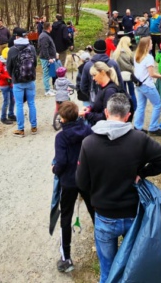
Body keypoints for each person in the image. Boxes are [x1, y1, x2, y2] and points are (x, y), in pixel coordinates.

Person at [75, 93, 161, 283]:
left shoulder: (89, 143)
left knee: (107, 271)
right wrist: (143, 173)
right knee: (133, 267)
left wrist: (96, 195)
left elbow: (81, 183)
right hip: (133, 215)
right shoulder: (139, 139)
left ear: (106, 112)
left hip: (104, 215)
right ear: (128, 116)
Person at [52, 101, 95, 273]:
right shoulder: (88, 131)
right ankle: (105, 245)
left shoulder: (61, 137)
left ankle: (66, 258)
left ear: (62, 119)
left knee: (66, 216)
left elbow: (61, 161)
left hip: (69, 181)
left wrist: (55, 169)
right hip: (86, 178)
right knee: (95, 211)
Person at [6, 27, 38, 136]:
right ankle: (34, 127)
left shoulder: (12, 50)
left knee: (19, 105)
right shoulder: (32, 48)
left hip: (18, 81)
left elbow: (8, 67)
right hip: (30, 80)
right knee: (31, 103)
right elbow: (35, 63)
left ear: (16, 36)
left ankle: (21, 129)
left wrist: (13, 76)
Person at [131, 36, 161, 134]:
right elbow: (152, 74)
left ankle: (137, 127)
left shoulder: (137, 55)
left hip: (138, 84)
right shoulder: (149, 57)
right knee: (157, 105)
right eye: (151, 43)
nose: (152, 44)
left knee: (141, 106)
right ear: (147, 45)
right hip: (147, 85)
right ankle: (153, 127)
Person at [78, 39, 124, 105]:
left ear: (94, 50)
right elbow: (120, 83)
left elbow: (83, 86)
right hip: (112, 100)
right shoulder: (113, 63)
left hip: (95, 100)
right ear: (106, 49)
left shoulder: (88, 65)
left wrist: (91, 95)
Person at [84, 61, 122, 126]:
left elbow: (106, 116)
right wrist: (90, 108)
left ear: (102, 72)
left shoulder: (110, 91)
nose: (93, 78)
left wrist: (87, 115)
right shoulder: (104, 88)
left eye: (94, 75)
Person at [110, 36, 138, 115]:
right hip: (129, 75)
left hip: (120, 75)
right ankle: (134, 108)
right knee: (132, 92)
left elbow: (113, 65)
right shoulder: (129, 53)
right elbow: (134, 64)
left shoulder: (115, 53)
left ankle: (125, 108)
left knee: (123, 92)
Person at [38, 22, 59, 97]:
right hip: (46, 59)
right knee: (46, 74)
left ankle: (49, 88)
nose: (52, 28)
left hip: (50, 57)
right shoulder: (44, 36)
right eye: (51, 26)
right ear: (49, 27)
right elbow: (44, 48)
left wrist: (54, 53)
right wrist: (48, 58)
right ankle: (47, 90)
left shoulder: (46, 35)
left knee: (51, 73)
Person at [0, 55, 15, 125]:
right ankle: (3, 117)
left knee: (12, 100)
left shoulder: (7, 63)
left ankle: (11, 114)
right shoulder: (0, 64)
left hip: (10, 84)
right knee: (6, 102)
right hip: (4, 85)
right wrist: (6, 77)